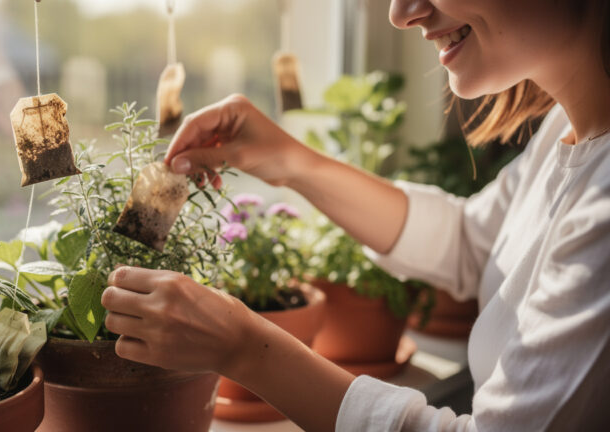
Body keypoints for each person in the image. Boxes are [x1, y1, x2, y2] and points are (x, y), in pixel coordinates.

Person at [100, 0, 610, 430]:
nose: (400, 13)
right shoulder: (567, 124)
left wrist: (245, 347)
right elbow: (474, 243)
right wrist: (293, 163)